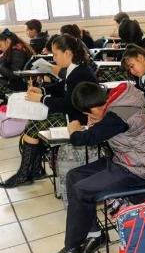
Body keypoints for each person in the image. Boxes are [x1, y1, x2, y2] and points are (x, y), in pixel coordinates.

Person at [45, 81, 145, 253]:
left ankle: (72, 246)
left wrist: (73, 131)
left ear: (95, 107)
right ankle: (95, 235)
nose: (89, 118)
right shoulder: (118, 102)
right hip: (125, 161)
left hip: (138, 169)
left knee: (81, 190)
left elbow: (86, 138)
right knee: (74, 176)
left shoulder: (117, 115)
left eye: (89, 114)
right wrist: (99, 121)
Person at [0, 35, 98, 188]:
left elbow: (68, 104)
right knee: (34, 123)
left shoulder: (79, 73)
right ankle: (35, 169)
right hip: (72, 114)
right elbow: (62, 86)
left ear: (67, 53)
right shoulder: (75, 68)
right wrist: (42, 90)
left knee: (32, 128)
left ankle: (24, 174)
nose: (54, 58)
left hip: (78, 119)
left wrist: (41, 98)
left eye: (56, 54)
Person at [0, 29, 34, 99]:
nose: (0, 48)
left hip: (16, 86)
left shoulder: (17, 53)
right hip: (13, 83)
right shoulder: (13, 50)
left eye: (0, 45)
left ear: (8, 41)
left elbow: (15, 74)